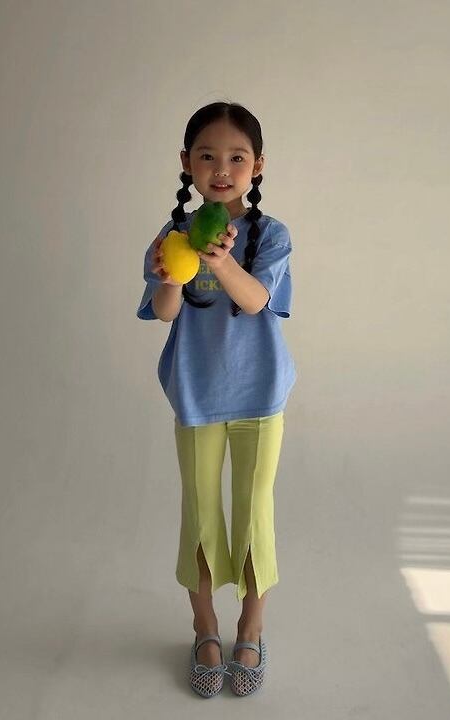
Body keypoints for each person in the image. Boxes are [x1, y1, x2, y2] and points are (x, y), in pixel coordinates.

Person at [135, 101, 296, 697]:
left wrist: (219, 261)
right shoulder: (170, 237)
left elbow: (256, 301)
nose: (222, 169)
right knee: (201, 515)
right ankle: (204, 627)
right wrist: (172, 275)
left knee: (254, 514)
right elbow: (165, 312)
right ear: (187, 163)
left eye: (237, 157)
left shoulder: (271, 235)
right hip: (196, 393)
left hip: (260, 394)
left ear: (258, 166)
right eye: (207, 156)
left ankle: (251, 627)